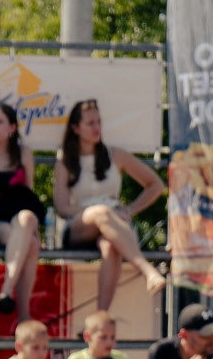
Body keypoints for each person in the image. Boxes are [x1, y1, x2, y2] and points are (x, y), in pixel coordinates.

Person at [53, 99, 167, 310]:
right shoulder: (65, 163)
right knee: (102, 212)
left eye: (99, 122)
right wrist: (97, 211)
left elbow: (156, 185)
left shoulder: (116, 155)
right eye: (90, 123)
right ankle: (147, 270)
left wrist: (130, 209)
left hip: (114, 223)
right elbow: (61, 208)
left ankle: (101, 315)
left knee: (110, 247)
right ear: (76, 128)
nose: (96, 128)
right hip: (79, 227)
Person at [0, 103, 46, 319]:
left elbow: (28, 194)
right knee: (31, 244)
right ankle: (24, 317)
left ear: (12, 127)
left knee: (28, 218)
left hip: (17, 216)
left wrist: (34, 229)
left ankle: (6, 290)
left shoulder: (23, 154)